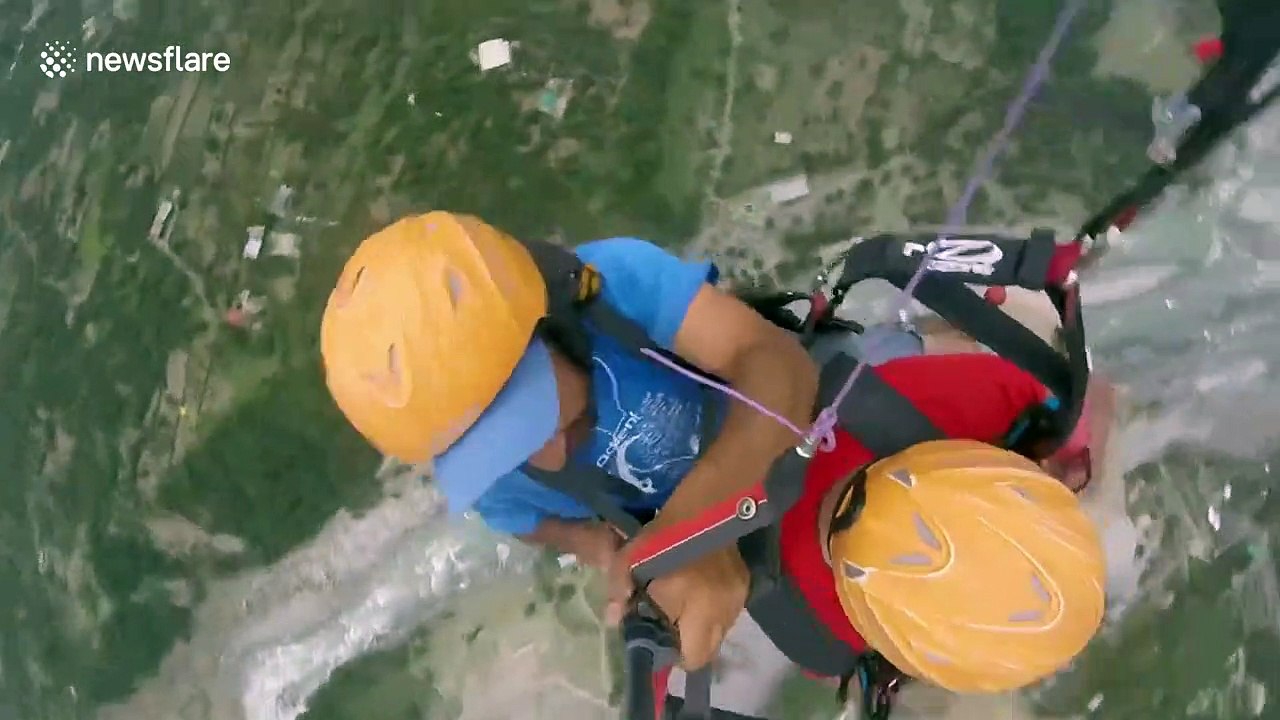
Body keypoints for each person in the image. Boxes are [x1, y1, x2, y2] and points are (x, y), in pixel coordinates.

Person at [319, 210, 821, 668]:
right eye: (505, 451)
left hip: (809, 436)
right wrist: (598, 547)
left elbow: (775, 361)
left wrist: (691, 526)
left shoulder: (614, 289)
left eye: (537, 417)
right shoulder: (495, 484)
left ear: (550, 324)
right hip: (756, 554)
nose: (551, 452)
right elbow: (523, 519)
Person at [657, 329, 1115, 719]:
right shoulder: (821, 642)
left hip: (852, 390)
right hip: (700, 483)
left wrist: (1068, 448)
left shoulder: (974, 402)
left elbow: (1076, 403)